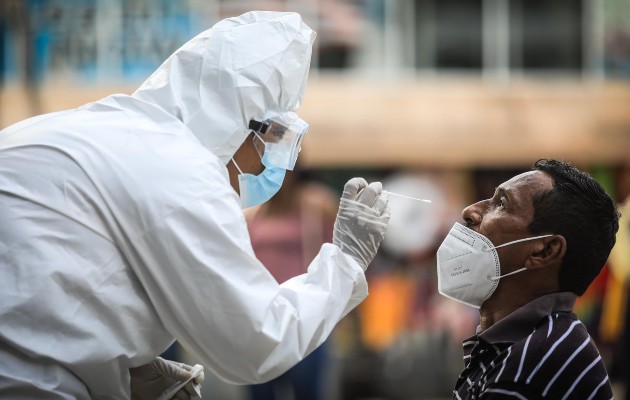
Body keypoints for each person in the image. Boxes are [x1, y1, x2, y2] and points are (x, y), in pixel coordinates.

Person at [0, 11, 391, 399]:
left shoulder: (104, 125)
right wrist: (346, 262)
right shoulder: (183, 171)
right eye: (275, 142)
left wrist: (122, 364)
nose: (275, 164)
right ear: (244, 127)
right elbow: (256, 342)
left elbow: (67, 276)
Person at [436, 159, 619, 399]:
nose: (470, 210)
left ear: (545, 251)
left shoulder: (532, 367)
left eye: (502, 203)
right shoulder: (531, 344)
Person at [244, 166, 337, 400]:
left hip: (304, 316)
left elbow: (335, 255)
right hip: (262, 316)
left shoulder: (316, 206)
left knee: (307, 390)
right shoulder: (252, 212)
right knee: (261, 392)